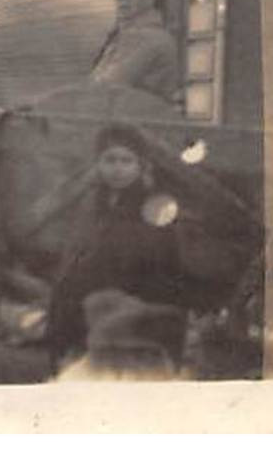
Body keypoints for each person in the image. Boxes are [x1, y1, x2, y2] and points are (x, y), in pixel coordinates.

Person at [45, 125, 185, 372]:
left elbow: (158, 253)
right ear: (98, 164)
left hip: (140, 281)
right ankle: (68, 356)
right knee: (67, 289)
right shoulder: (97, 199)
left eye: (126, 161)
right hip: (103, 275)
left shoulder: (155, 202)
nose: (117, 169)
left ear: (140, 166)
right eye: (109, 160)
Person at [90, 0, 181, 105]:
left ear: (147, 0)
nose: (122, 3)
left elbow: (111, 83)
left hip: (137, 118)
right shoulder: (134, 34)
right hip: (137, 116)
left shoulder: (144, 37)